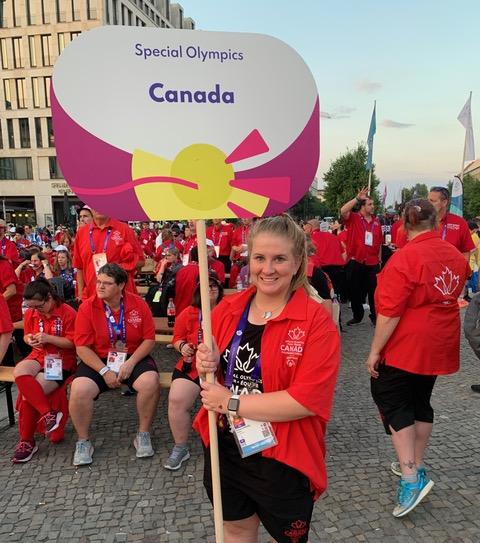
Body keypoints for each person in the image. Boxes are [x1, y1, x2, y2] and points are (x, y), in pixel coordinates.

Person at [194, 214, 340, 543]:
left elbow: (305, 400)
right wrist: (209, 361)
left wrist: (229, 402)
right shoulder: (227, 309)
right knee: (234, 529)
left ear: (298, 261)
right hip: (228, 445)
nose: (268, 268)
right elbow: (211, 375)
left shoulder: (316, 322)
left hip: (284, 454)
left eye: (279, 259)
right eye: (259, 258)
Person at [366, 199, 470, 517]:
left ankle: (411, 476)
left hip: (408, 343)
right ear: (436, 224)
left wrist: (375, 351)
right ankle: (415, 464)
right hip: (440, 337)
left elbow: (389, 312)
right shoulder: (454, 254)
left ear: (403, 225)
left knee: (391, 397)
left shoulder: (404, 259)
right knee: (420, 400)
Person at [70, 263, 160, 466]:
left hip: (133, 356)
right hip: (98, 359)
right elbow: (82, 347)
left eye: (107, 283)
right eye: (98, 282)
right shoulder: (87, 307)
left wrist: (131, 363)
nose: (100, 286)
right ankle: (83, 441)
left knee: (150, 382)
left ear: (121, 285)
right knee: (79, 389)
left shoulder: (139, 304)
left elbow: (149, 339)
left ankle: (143, 434)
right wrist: (103, 371)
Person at [11, 279, 77, 463]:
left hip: (61, 360)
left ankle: (27, 441)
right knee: (20, 371)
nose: (36, 311)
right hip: (39, 354)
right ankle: (48, 414)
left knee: (28, 395)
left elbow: (73, 344)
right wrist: (29, 339)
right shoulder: (33, 312)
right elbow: (26, 334)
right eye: (32, 308)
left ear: (49, 298)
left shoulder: (67, 313)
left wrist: (49, 338)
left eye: (39, 307)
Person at [164, 275, 224, 470]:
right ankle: (181, 446)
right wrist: (182, 347)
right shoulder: (189, 313)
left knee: (228, 402)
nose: (211, 289)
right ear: (199, 291)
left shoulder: (230, 311)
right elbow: (177, 338)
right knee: (176, 399)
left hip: (223, 367)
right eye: (207, 286)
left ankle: (229, 447)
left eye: (215, 285)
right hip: (192, 366)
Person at [72, 209, 144, 301]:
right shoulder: (82, 233)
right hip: (92, 297)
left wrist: (117, 267)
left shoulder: (124, 230)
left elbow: (141, 261)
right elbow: (79, 267)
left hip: (120, 296)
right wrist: (81, 294)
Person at [341, 186, 383, 325]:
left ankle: (375, 316)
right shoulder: (354, 218)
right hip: (356, 260)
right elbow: (343, 210)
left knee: (374, 292)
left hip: (372, 263)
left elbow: (379, 242)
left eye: (373, 204)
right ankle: (357, 315)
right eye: (370, 204)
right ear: (362, 206)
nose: (373, 206)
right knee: (354, 291)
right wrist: (357, 198)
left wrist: (379, 259)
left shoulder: (377, 222)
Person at [394, 187, 475, 259]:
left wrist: (459, 273)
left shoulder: (459, 223)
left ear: (444, 202)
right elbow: (400, 252)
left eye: (432, 201)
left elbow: (465, 252)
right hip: (420, 272)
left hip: (447, 273)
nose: (428, 204)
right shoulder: (415, 221)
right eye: (428, 200)